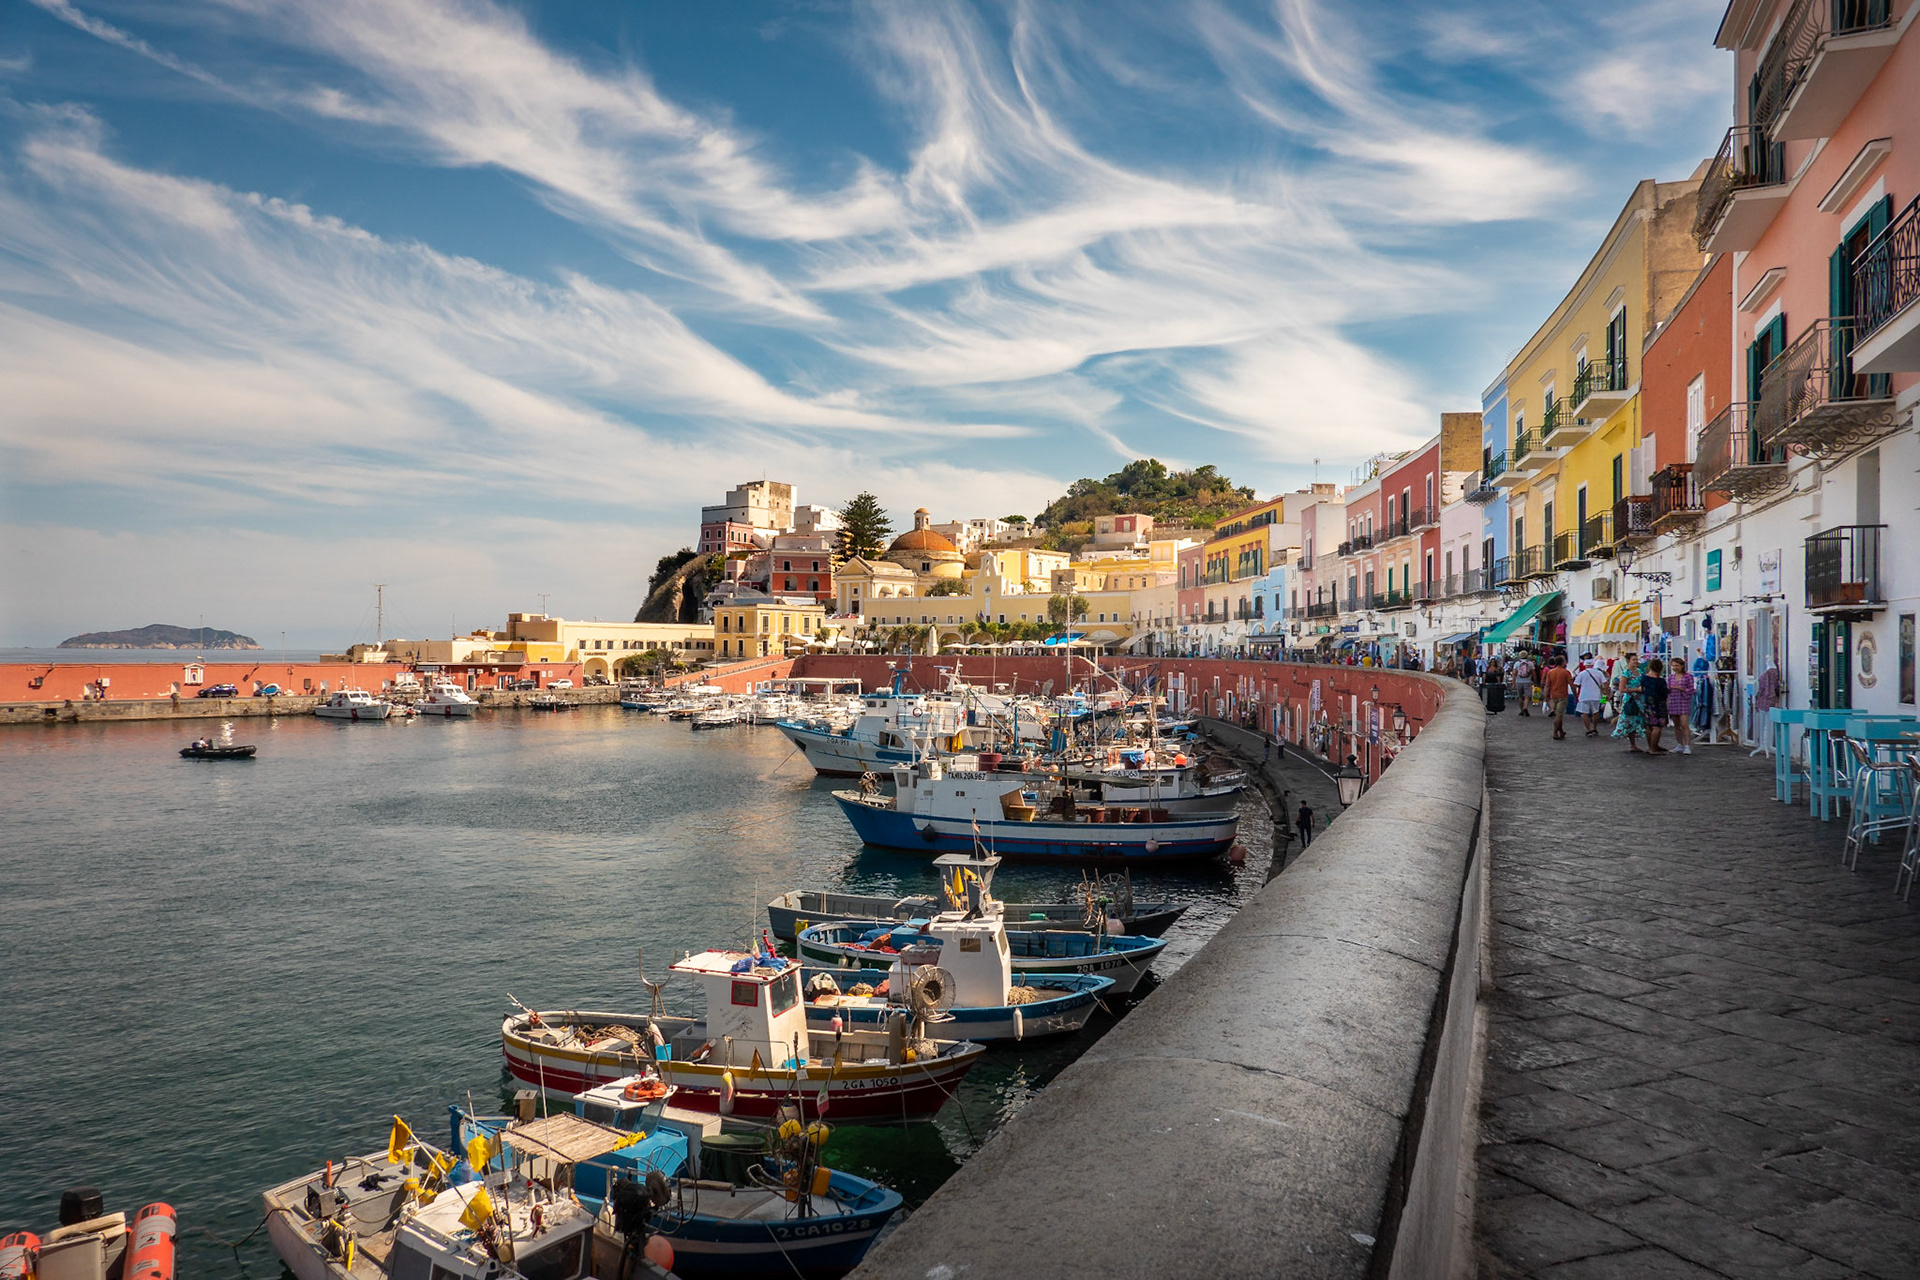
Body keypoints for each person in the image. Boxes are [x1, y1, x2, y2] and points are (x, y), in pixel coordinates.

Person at [1611, 654, 1648, 753]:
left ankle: (1639, 743)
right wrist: (1636, 689)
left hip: (1640, 699)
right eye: (1634, 660)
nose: (1636, 661)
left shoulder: (1639, 672)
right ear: (1628, 661)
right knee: (1630, 720)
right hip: (1631, 699)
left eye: (1637, 659)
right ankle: (1633, 744)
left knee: (1639, 720)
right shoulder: (1626, 673)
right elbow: (1621, 689)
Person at [1666, 658, 1695, 755]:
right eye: (1673, 666)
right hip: (1673, 701)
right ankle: (1679, 744)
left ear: (1682, 666)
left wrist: (1681, 688)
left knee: (1684, 725)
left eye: (1676, 665)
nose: (1675, 667)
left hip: (1683, 701)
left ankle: (1687, 745)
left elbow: (1691, 690)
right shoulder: (1671, 677)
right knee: (1676, 725)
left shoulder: (1688, 676)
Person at [1641, 658, 1671, 754]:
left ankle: (1651, 746)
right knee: (1657, 727)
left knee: (1649, 726)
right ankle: (1653, 748)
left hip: (1647, 703)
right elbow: (1664, 693)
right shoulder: (1660, 681)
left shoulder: (1644, 678)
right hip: (1658, 705)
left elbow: (1642, 689)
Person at [1573, 655, 1606, 737]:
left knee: (1585, 714)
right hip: (1596, 696)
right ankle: (1594, 728)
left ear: (1585, 665)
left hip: (1584, 696)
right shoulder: (1599, 673)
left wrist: (1576, 695)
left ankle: (1588, 730)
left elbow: (1575, 685)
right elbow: (1605, 685)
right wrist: (1605, 698)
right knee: (1596, 713)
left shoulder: (1581, 674)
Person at [1542, 656, 1574, 740]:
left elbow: (1547, 686)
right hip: (1562, 695)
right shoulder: (1566, 672)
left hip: (1553, 695)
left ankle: (1561, 731)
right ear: (1562, 662)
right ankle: (1555, 732)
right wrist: (1576, 695)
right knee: (1559, 715)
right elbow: (1572, 685)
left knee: (1559, 714)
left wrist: (1545, 697)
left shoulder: (1551, 672)